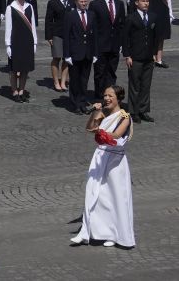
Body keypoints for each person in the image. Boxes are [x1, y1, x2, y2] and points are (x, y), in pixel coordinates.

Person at [70, 85, 135, 248]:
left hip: (115, 160)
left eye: (110, 96)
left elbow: (117, 135)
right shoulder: (102, 112)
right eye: (105, 95)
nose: (106, 98)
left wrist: (102, 134)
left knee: (114, 196)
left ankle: (114, 235)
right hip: (100, 156)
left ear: (118, 98)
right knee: (94, 192)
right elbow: (89, 128)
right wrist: (94, 113)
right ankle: (86, 232)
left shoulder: (124, 116)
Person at [88, 0, 125, 100]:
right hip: (100, 45)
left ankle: (110, 96)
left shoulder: (119, 4)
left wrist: (121, 43)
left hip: (114, 45)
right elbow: (92, 26)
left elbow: (122, 25)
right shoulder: (95, 4)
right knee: (99, 72)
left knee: (112, 72)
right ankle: (99, 96)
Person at [123, 0, 157, 123]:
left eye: (147, 1)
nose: (146, 3)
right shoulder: (131, 18)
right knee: (135, 85)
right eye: (143, 1)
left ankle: (143, 110)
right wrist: (127, 55)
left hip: (148, 56)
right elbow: (125, 38)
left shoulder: (153, 16)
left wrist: (154, 53)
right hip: (135, 56)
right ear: (136, 3)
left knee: (146, 85)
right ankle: (133, 111)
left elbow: (155, 37)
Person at [64, 0, 97, 114]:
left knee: (84, 80)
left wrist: (95, 53)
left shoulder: (91, 14)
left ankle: (83, 102)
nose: (84, 3)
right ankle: (75, 104)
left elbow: (95, 36)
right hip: (75, 53)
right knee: (75, 80)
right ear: (76, 2)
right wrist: (66, 54)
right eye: (81, 1)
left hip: (88, 53)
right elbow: (66, 36)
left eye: (85, 1)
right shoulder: (70, 15)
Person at [4, 0, 37, 102]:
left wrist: (35, 43)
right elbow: (8, 27)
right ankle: (14, 91)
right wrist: (8, 45)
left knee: (25, 68)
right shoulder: (10, 8)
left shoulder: (30, 7)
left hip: (27, 41)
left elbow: (33, 26)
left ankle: (22, 90)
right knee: (14, 69)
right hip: (15, 41)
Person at [44, 0, 72, 92]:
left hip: (69, 35)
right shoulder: (53, 3)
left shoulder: (72, 2)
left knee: (67, 59)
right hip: (57, 34)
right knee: (56, 57)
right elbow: (48, 20)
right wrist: (49, 36)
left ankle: (63, 81)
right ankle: (56, 81)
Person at [144, 0, 173, 69]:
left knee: (161, 38)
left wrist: (170, 14)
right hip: (152, 13)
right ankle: (151, 58)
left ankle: (159, 59)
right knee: (152, 37)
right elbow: (145, 0)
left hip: (164, 13)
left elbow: (169, 0)